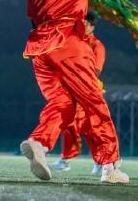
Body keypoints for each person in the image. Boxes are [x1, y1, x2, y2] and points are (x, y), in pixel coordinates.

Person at [19, 0, 128, 184]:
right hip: (67, 41)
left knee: (63, 103)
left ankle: (39, 143)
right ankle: (109, 167)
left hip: (39, 48)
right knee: (94, 103)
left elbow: (34, 18)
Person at [48, 11, 106, 174]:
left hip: (88, 91)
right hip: (72, 90)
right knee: (71, 124)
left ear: (92, 26)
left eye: (85, 24)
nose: (81, 26)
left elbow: (96, 71)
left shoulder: (97, 45)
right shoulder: (73, 41)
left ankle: (103, 160)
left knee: (89, 128)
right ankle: (68, 159)